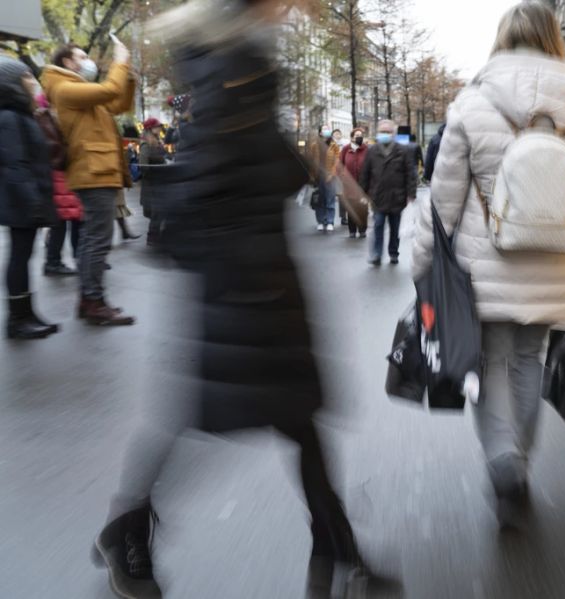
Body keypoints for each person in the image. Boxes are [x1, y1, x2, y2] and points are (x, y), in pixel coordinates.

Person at [91, 1, 400, 597]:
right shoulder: (239, 65)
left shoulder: (233, 67)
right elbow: (215, 173)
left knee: (291, 418)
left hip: (254, 279)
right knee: (214, 413)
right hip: (246, 282)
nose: (288, 11)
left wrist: (316, 170)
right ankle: (125, 527)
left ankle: (336, 546)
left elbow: (238, 156)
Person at [410, 1, 565, 526]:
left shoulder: (472, 103)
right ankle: (521, 462)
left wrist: (421, 265)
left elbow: (443, 200)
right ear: (556, 37)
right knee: (530, 361)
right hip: (561, 265)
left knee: (492, 364)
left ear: (502, 40)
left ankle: (503, 460)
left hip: (487, 266)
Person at [42, 41, 137, 326]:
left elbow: (119, 102)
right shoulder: (64, 87)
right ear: (68, 62)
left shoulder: (80, 90)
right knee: (97, 241)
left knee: (91, 240)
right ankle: (94, 302)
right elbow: (110, 90)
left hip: (98, 170)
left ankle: (90, 300)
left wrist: (127, 74)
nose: (88, 61)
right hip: (93, 172)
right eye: (82, 57)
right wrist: (119, 62)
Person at [0, 57, 60, 339]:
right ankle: (17, 320)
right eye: (26, 76)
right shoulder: (10, 117)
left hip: (25, 199)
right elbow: (15, 165)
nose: (31, 80)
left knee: (24, 256)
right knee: (20, 257)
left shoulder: (22, 114)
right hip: (20, 201)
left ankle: (26, 313)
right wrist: (32, 201)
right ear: (12, 82)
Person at [34, 92, 82, 277]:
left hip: (61, 174)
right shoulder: (47, 119)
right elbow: (55, 149)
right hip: (59, 174)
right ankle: (54, 262)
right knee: (62, 221)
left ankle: (63, 259)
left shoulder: (46, 118)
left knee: (69, 219)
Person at [360, 120, 417, 266]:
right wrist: (363, 192)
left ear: (394, 133)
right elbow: (365, 173)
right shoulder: (372, 151)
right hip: (377, 196)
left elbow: (410, 173)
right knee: (378, 225)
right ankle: (376, 254)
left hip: (397, 197)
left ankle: (393, 253)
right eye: (382, 131)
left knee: (394, 227)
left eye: (388, 132)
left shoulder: (402, 150)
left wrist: (411, 193)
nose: (385, 134)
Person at [139, 118, 167, 245]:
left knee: (160, 211)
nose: (159, 128)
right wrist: (157, 171)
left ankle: (157, 237)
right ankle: (152, 238)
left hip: (160, 183)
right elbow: (143, 166)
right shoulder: (146, 144)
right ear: (150, 129)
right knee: (157, 211)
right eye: (157, 126)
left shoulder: (157, 142)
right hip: (152, 184)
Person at [339, 127, 369, 238]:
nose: (359, 137)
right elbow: (340, 165)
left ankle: (362, 230)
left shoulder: (367, 149)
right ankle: (352, 230)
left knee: (362, 208)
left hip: (363, 185)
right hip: (349, 185)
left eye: (360, 135)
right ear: (351, 137)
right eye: (356, 135)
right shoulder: (346, 149)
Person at [312, 123, 340, 232]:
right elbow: (311, 161)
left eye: (328, 129)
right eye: (324, 129)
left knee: (330, 200)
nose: (327, 130)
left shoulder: (334, 145)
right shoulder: (314, 145)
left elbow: (337, 162)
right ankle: (320, 221)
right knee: (319, 200)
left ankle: (329, 221)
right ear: (320, 132)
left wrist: (331, 174)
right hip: (318, 177)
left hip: (330, 177)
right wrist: (312, 176)